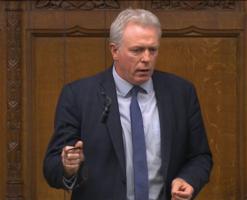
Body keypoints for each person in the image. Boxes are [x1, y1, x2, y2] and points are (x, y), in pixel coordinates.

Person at [43, 8, 213, 200]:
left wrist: (188, 179)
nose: (146, 59)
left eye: (153, 50)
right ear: (114, 50)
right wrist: (67, 167)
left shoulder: (181, 92)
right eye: (137, 50)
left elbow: (200, 156)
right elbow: (51, 168)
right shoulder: (79, 95)